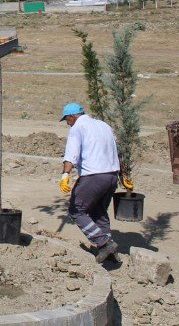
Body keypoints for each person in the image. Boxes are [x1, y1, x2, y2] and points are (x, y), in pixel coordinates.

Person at [59, 102, 123, 263]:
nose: (67, 123)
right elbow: (117, 148)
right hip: (111, 175)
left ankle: (103, 243)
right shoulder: (104, 125)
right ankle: (110, 253)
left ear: (73, 117)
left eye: (67, 119)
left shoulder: (77, 128)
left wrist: (65, 174)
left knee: (76, 210)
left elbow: (71, 154)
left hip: (93, 176)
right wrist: (124, 174)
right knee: (99, 212)